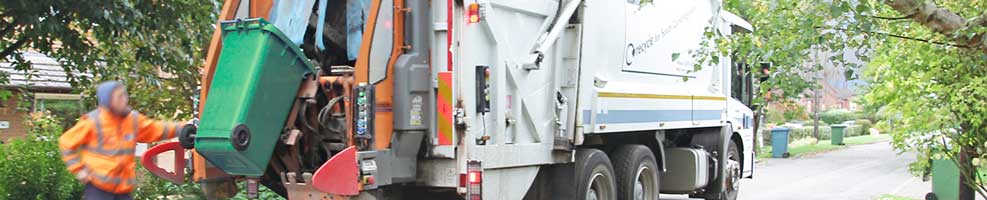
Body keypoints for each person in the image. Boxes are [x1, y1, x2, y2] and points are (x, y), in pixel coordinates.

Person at [59, 81, 188, 200]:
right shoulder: (93, 122)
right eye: (119, 97)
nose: (124, 100)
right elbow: (66, 142)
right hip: (99, 189)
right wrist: (79, 170)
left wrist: (184, 127)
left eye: (124, 95)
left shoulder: (132, 120)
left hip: (123, 190)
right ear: (108, 100)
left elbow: (157, 129)